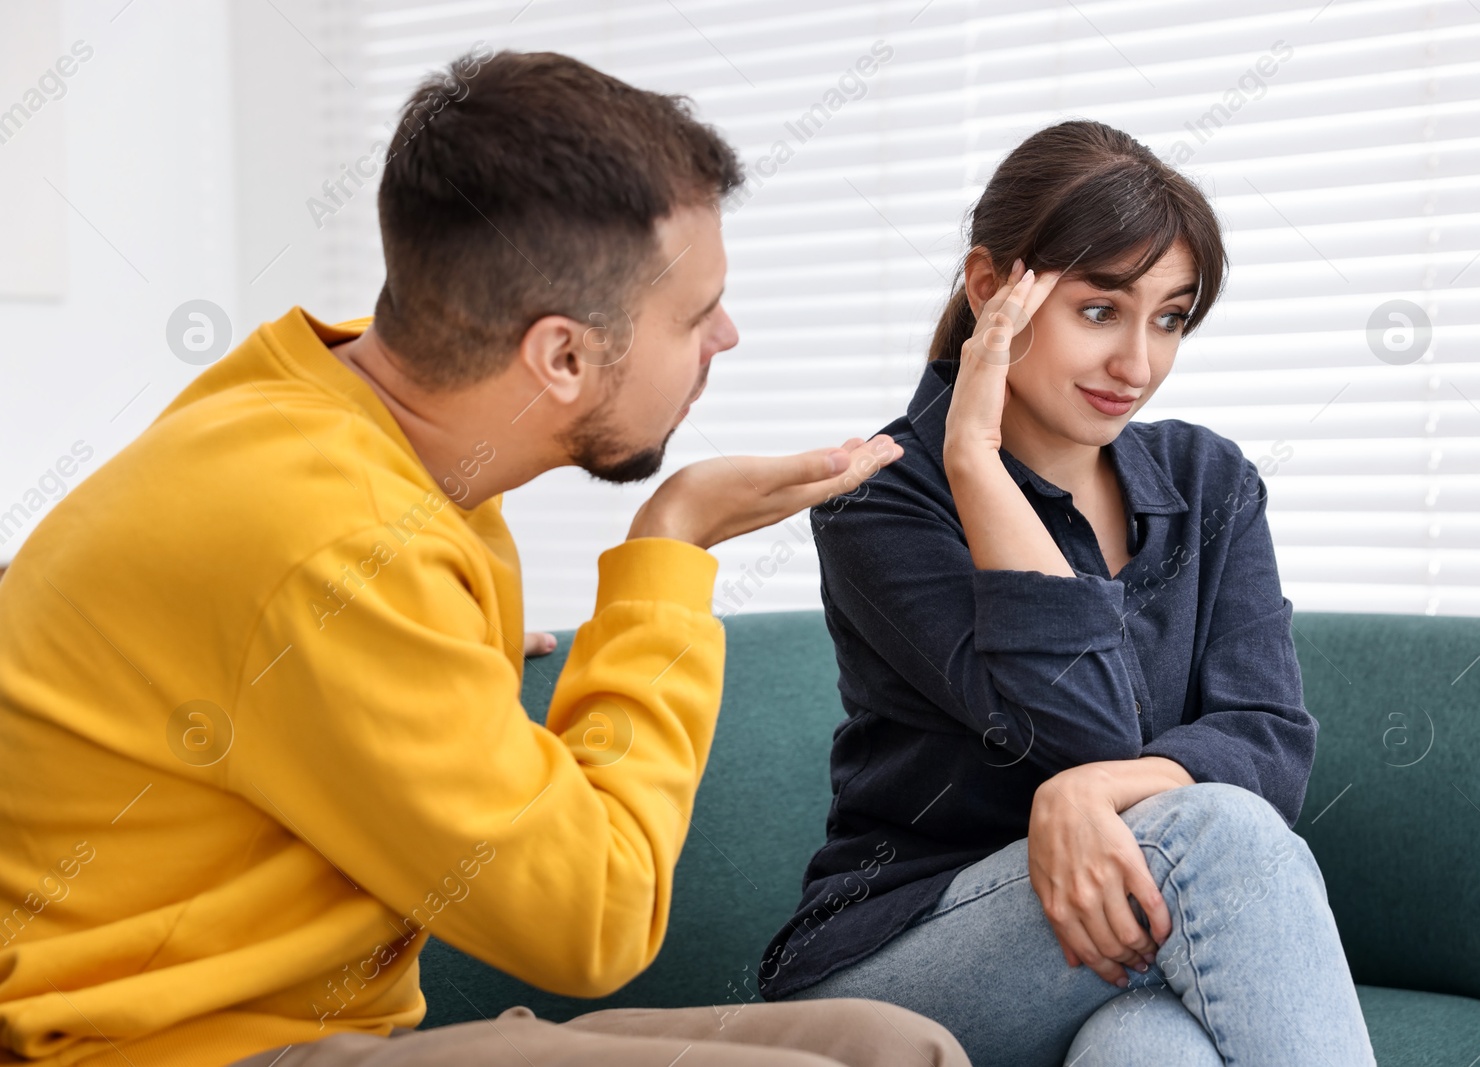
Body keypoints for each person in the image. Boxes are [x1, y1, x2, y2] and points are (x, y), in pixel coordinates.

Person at [0, 50, 971, 1067]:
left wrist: (444, 655)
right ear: (560, 355)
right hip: (160, 1052)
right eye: (693, 315)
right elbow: (594, 918)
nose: (726, 335)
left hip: (340, 1031)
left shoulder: (331, 419)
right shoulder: (338, 534)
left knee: (892, 1047)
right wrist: (668, 552)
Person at [758, 121, 1377, 1066]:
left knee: (1148, 1050)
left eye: (1169, 318)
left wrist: (1096, 792)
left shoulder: (1209, 480)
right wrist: (972, 459)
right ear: (989, 288)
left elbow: (1271, 738)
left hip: (1110, 952)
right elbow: (1084, 725)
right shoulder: (880, 496)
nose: (1139, 363)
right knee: (1209, 835)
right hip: (898, 954)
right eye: (1102, 311)